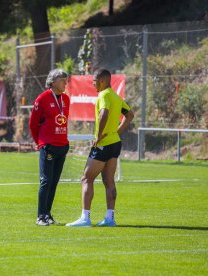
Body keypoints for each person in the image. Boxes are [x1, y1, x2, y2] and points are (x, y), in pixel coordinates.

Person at [66, 69, 134, 227]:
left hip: (103, 144)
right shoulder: (116, 97)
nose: (93, 84)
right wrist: (117, 132)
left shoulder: (103, 95)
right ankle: (110, 218)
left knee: (86, 178)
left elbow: (104, 113)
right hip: (115, 143)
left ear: (102, 81)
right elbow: (130, 115)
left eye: (94, 81)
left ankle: (85, 218)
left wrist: (100, 136)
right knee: (109, 181)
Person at [29, 69, 70, 226]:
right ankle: (40, 216)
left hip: (62, 145)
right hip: (48, 146)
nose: (65, 83)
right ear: (52, 82)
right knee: (46, 181)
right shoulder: (42, 99)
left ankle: (48, 214)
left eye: (66, 80)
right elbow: (33, 124)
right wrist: (39, 143)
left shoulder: (66, 99)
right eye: (62, 80)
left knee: (54, 182)